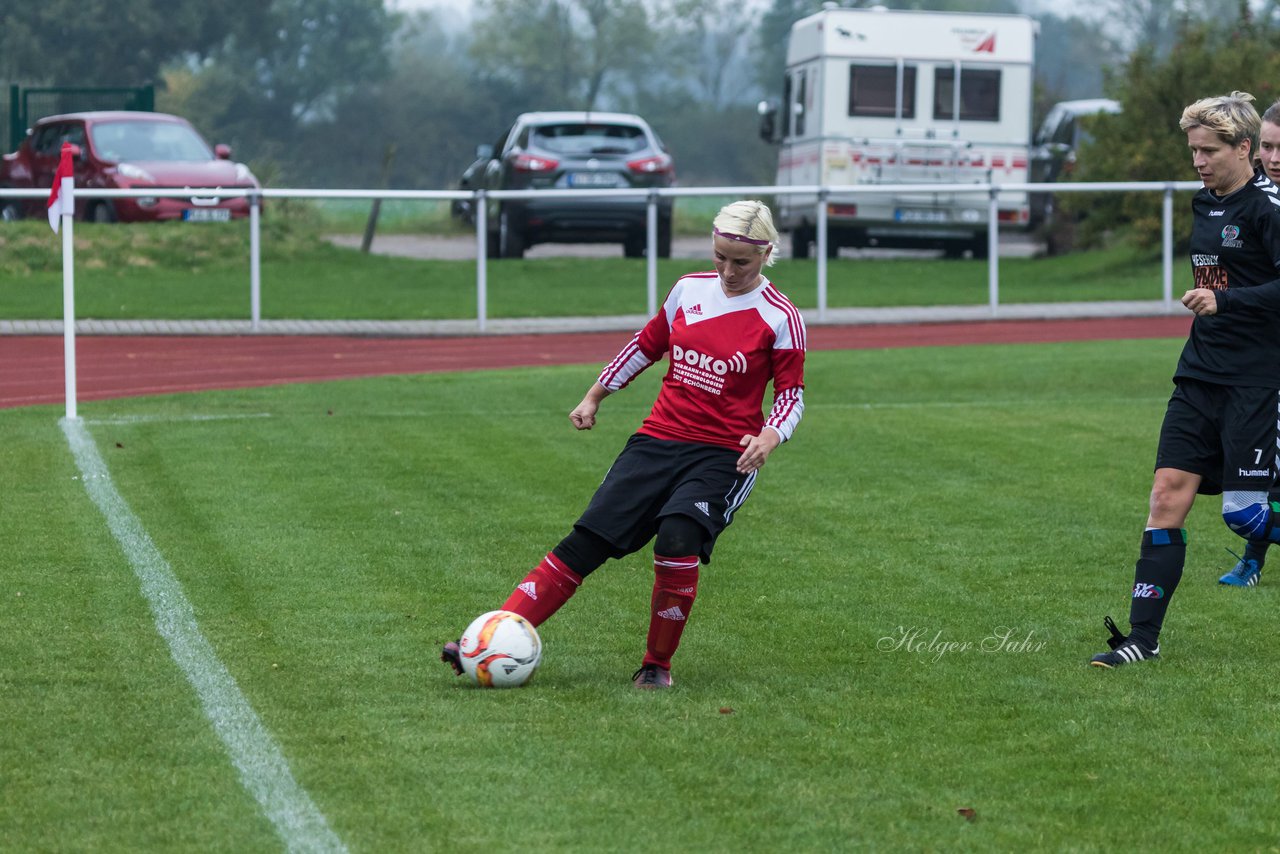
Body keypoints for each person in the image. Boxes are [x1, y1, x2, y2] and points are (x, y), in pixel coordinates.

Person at [442, 200, 807, 688]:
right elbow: (645, 345)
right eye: (720, 257)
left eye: (740, 262)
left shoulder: (780, 316)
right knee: (586, 542)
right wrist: (595, 395)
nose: (727, 270)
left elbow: (790, 394)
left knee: (677, 539)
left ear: (766, 253)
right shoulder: (688, 291)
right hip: (657, 439)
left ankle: (657, 666)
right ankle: (489, 642)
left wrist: (770, 435)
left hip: (723, 455)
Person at [1092, 91, 1280, 667]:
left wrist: (1226, 302)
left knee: (1246, 514)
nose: (1198, 162)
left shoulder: (1269, 209)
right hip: (1198, 375)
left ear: (1243, 148)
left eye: (1209, 151)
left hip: (1255, 381)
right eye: (1193, 151)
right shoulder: (1206, 203)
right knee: (1166, 495)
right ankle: (1141, 640)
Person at [1219, 97, 1280, 587]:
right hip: (1262, 357)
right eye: (1267, 146)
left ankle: (1252, 560)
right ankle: (1253, 560)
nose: (1273, 157)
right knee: (1267, 467)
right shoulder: (1256, 198)